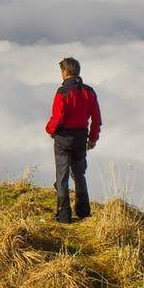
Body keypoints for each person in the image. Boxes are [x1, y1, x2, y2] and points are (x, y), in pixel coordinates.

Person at [44, 56, 101, 223]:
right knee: (79, 174)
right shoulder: (89, 91)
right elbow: (96, 118)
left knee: (62, 175)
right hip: (81, 137)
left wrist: (49, 129)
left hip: (63, 138)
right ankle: (83, 211)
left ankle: (63, 215)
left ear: (65, 72)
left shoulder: (62, 92)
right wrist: (93, 138)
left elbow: (58, 117)